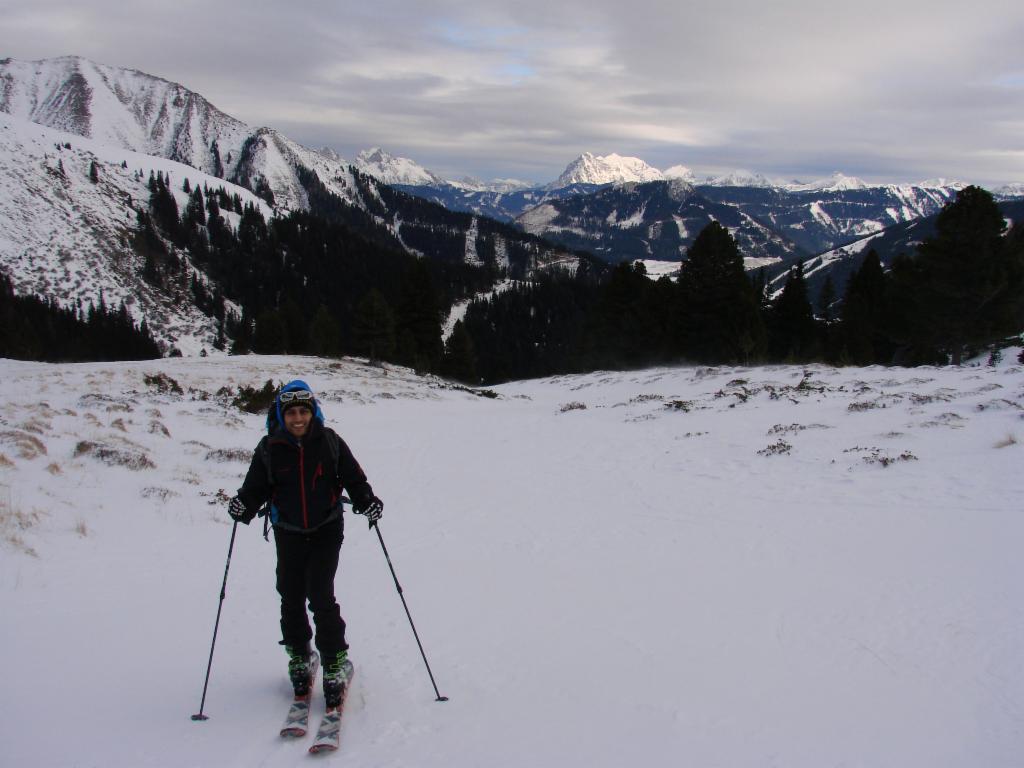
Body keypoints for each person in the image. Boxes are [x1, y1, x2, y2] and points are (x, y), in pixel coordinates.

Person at [227, 379, 383, 711]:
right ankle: (300, 657)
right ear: (281, 415)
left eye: (304, 412)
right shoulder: (269, 448)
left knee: (320, 593)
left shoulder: (330, 442)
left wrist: (367, 501)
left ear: (313, 413)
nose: (298, 419)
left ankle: (334, 662)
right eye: (291, 413)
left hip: (326, 529)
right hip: (288, 531)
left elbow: (354, 479)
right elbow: (254, 488)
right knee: (290, 593)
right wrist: (242, 505)